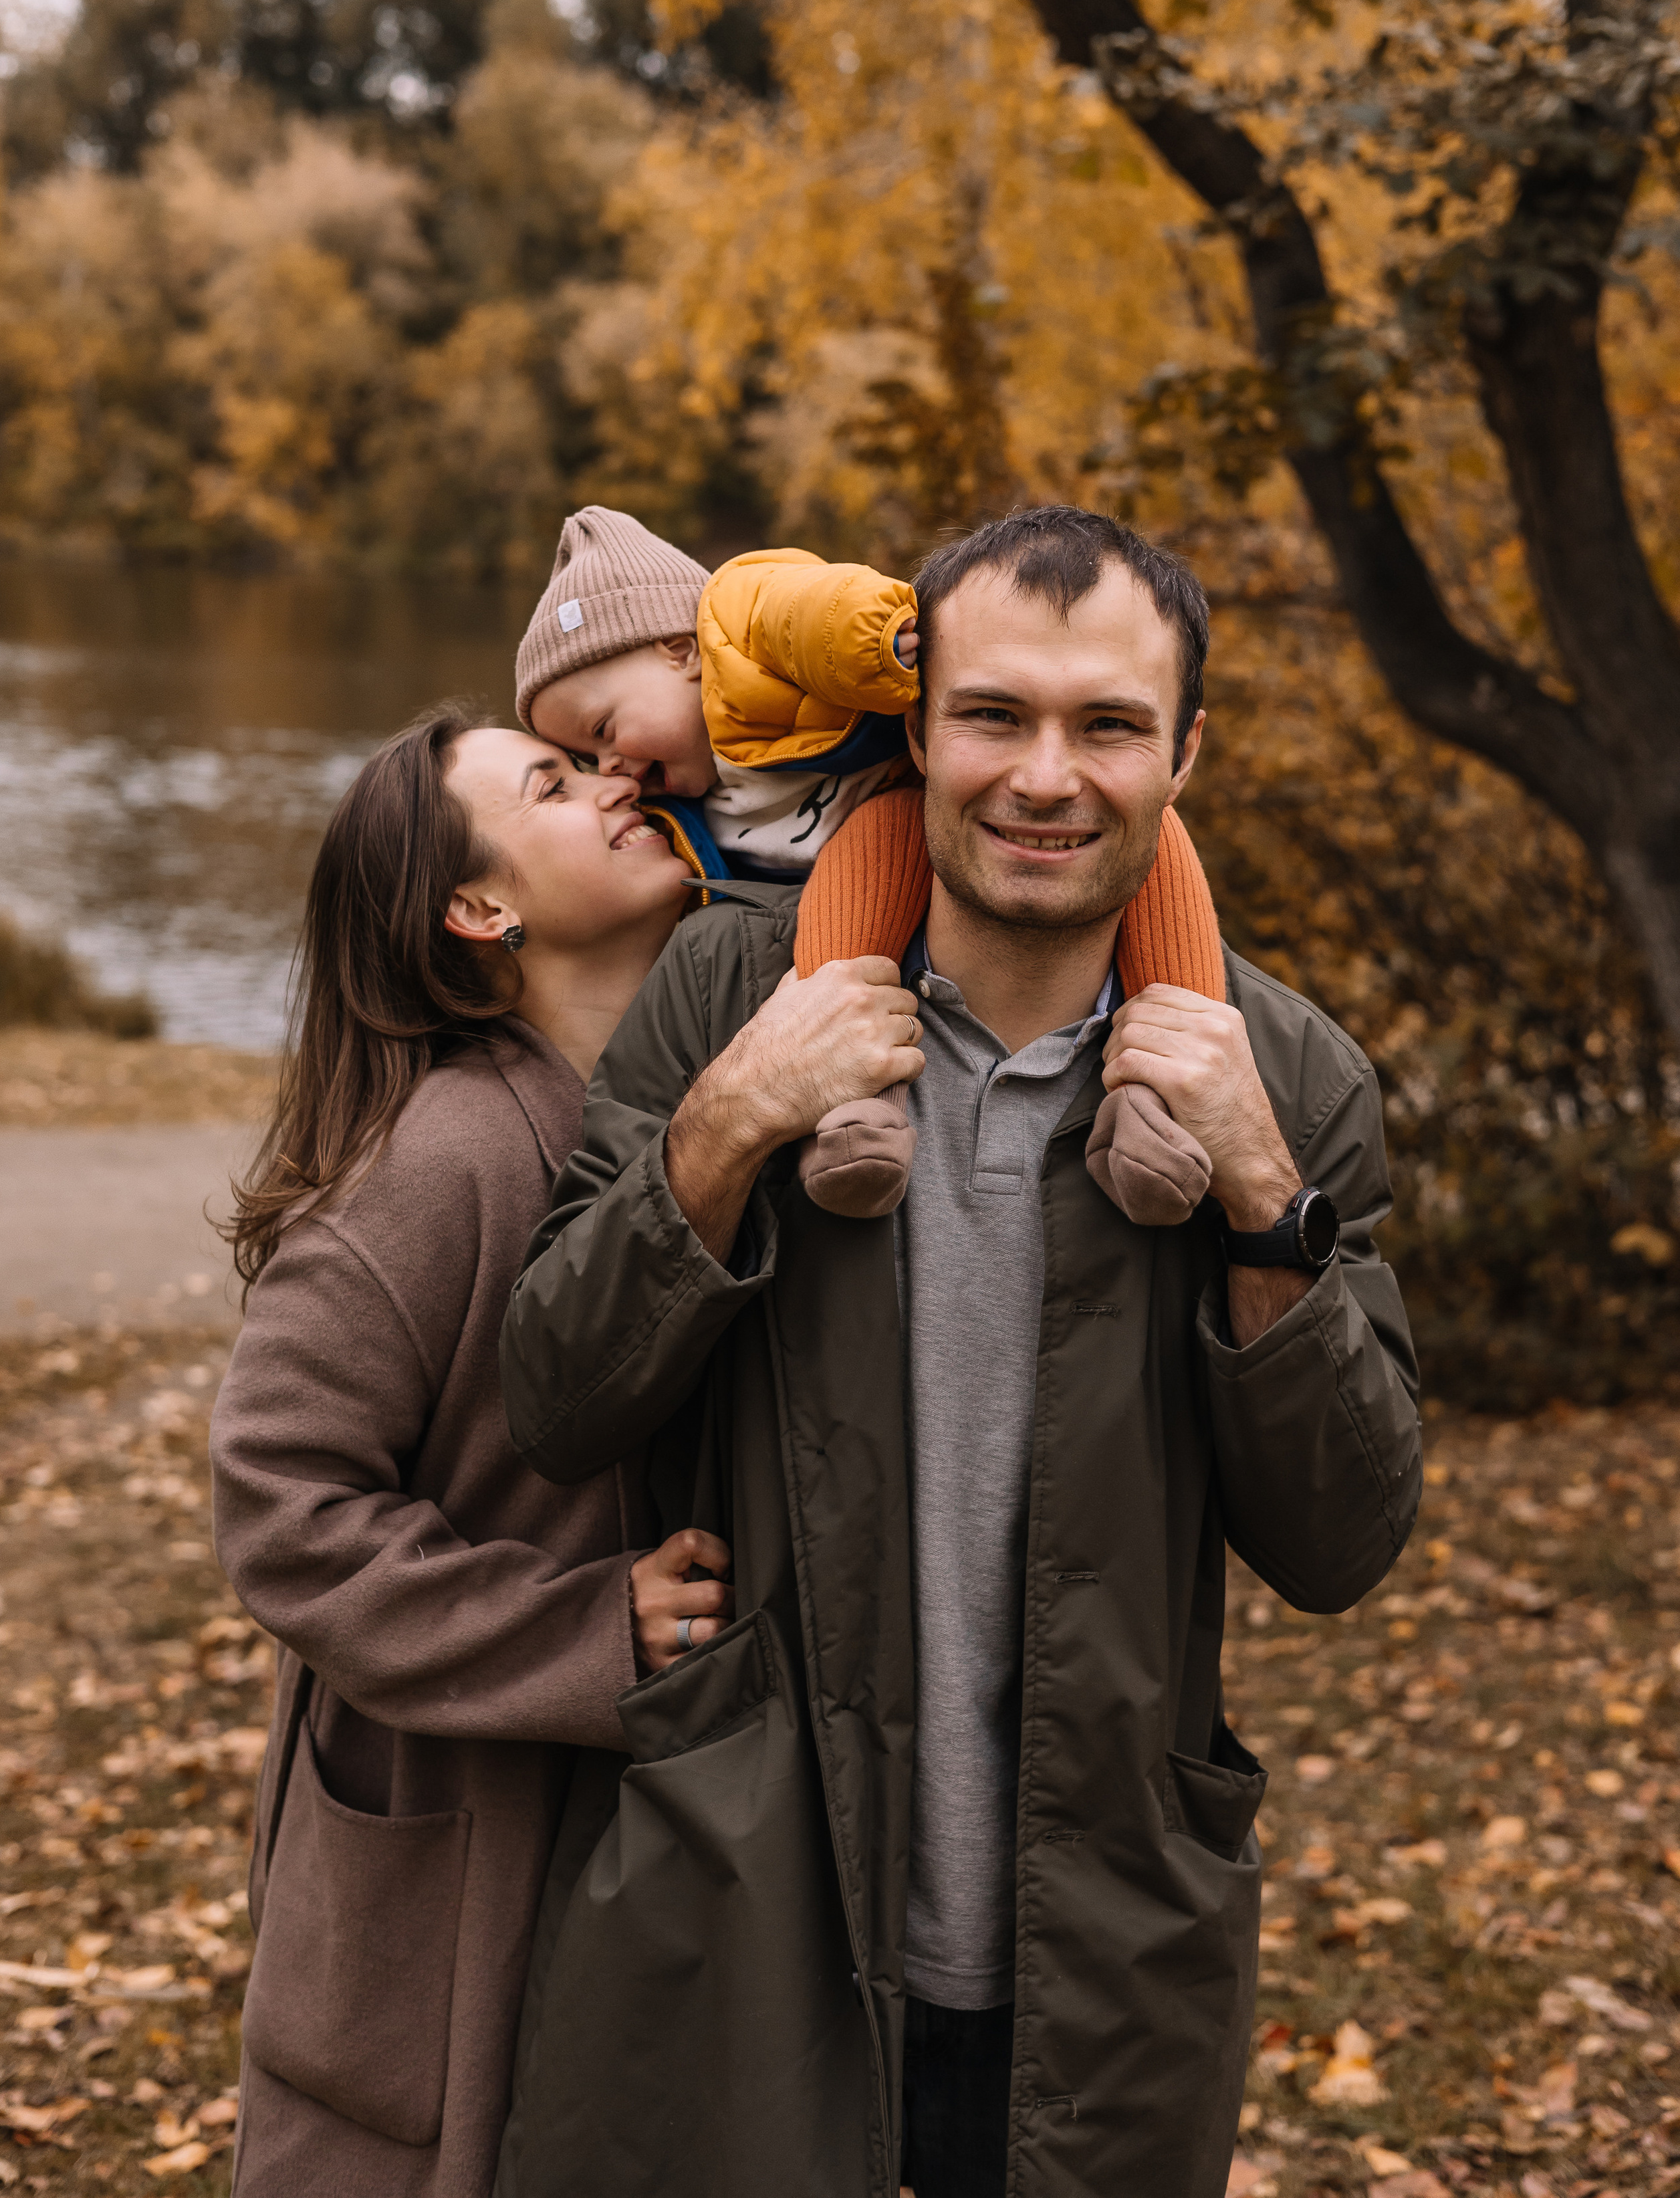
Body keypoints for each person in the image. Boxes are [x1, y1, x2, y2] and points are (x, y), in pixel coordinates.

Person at [494, 508, 1421, 2198]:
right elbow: (555, 1397)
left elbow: (1340, 1540)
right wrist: (727, 1122)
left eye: (1107, 724)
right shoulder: (728, 989)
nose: (1043, 776)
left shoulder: (1279, 1070)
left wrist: (1257, 1190)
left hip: (1104, 1941)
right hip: (757, 1894)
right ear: (912, 726)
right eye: (993, 714)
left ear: (1181, 748)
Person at [211, 705, 737, 2198]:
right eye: (555, 783)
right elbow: (279, 1504)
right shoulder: (439, 1162)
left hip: (672, 1822)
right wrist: (584, 1629)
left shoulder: (708, 1100)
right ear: (480, 908)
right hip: (460, 1831)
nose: (618, 784)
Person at [519, 504, 1217, 1224]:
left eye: (603, 730)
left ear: (677, 650)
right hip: (860, 879)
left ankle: (1163, 1100)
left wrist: (879, 642)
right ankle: (860, 1114)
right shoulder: (684, 843)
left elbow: (809, 610)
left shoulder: (733, 626)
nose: (613, 770)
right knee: (853, 924)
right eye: (583, 759)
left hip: (892, 813)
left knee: (1156, 858)